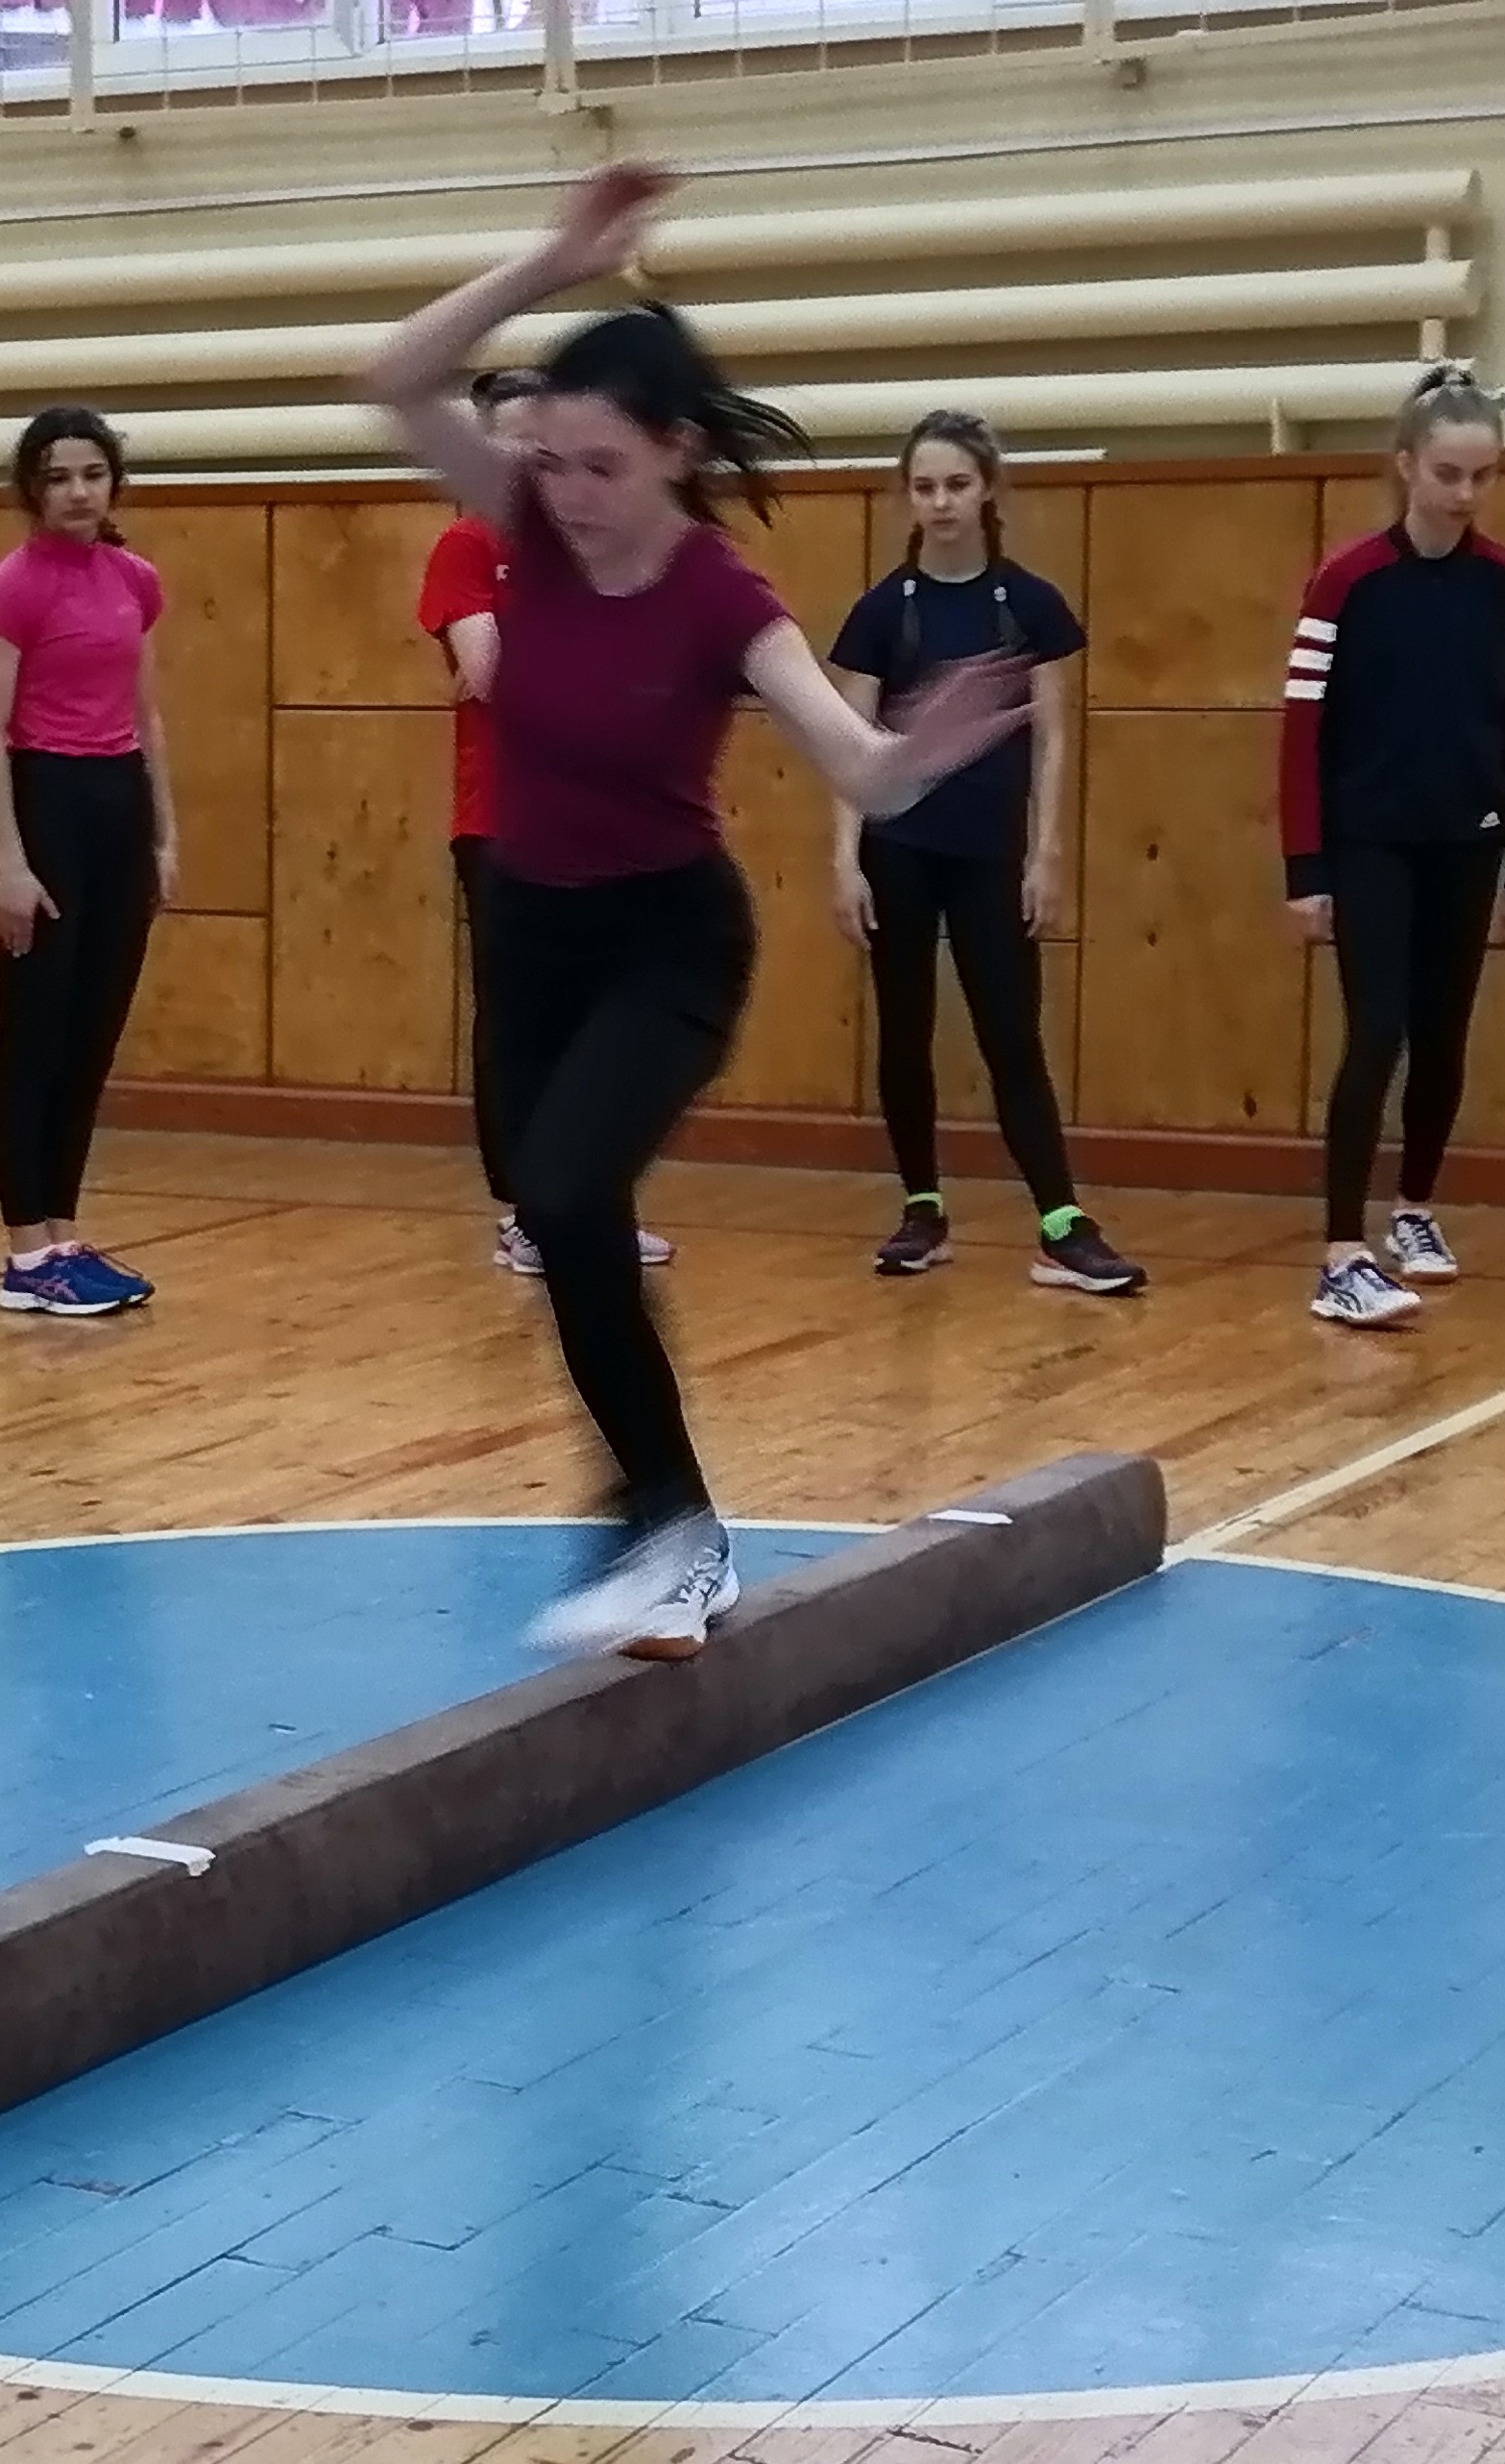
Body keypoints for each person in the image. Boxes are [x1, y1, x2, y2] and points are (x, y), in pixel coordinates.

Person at [362, 164, 1033, 1659]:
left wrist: (914, 756)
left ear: (671, 452)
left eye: (598, 465)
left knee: (566, 1195)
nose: (565, 492)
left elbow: (856, 762)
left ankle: (669, 1529)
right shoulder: (527, 527)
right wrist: (552, 261)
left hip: (665, 941)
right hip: (527, 935)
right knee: (558, 1217)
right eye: (548, 461)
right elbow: (389, 377)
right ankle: (665, 1522)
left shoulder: (721, 598)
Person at [828, 411, 1140, 1297]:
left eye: (956, 485)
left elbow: (1052, 737)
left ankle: (1060, 1223)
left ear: (988, 489)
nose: (940, 502)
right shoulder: (882, 611)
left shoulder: (1028, 605)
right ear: (907, 497)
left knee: (1011, 1036)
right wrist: (843, 860)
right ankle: (920, 1208)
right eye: (924, 486)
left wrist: (1045, 851)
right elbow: (849, 742)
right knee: (904, 1031)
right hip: (898, 847)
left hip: (988, 855)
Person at [1282, 366, 1505, 1331]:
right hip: (1369, 842)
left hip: (1465, 841)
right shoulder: (1345, 582)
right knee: (1377, 1030)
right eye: (1447, 473)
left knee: (1443, 1033)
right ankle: (1340, 1254)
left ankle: (1414, 1209)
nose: (1465, 492)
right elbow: (1300, 732)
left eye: (1482, 475)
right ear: (1405, 465)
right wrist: (1305, 870)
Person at [417, 367, 675, 1281]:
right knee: (521, 1022)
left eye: (549, 443)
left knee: (603, 1022)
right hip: (501, 821)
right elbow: (489, 672)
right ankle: (526, 1211)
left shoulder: (589, 545)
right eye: (517, 442)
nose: (535, 461)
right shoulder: (466, 546)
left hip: (599, 824)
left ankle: (595, 1203)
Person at [0, 405, 179, 1320]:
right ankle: (25, 1250)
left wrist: (163, 836)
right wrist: (10, 864)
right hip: (43, 802)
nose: (77, 493)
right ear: (33, 488)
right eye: (57, 477)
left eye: (91, 474)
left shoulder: (135, 580)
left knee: (91, 1035)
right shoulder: (12, 587)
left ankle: (62, 1232)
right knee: (36, 1036)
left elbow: (146, 714)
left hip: (116, 804)